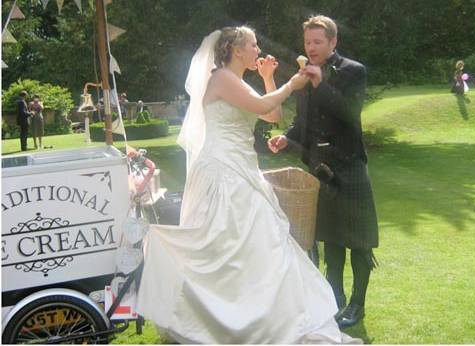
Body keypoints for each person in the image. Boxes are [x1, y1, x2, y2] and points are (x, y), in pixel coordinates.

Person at [136, 26, 362, 344]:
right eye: (253, 45)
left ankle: (256, 313)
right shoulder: (221, 78)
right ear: (236, 50)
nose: (258, 50)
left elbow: (272, 116)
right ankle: (221, 315)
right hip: (222, 171)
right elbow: (260, 107)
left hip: (242, 167)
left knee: (254, 241)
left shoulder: (237, 81)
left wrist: (269, 78)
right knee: (223, 243)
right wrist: (293, 83)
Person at [268, 15, 379, 328]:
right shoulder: (304, 76)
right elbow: (303, 121)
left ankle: (357, 304)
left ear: (333, 42)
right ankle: (334, 300)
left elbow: (349, 113)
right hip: (320, 168)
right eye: (308, 42)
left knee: (359, 240)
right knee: (331, 241)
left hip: (350, 167)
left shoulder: (353, 71)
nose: (312, 47)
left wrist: (321, 82)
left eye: (318, 41)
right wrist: (287, 138)